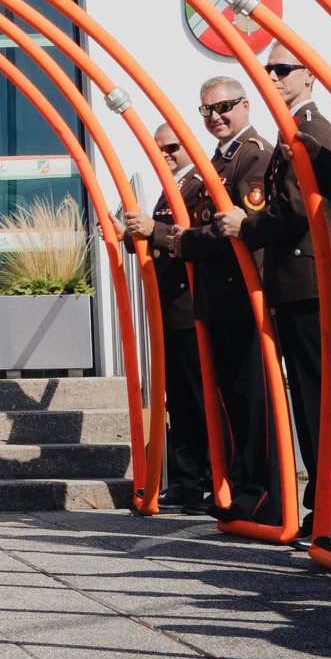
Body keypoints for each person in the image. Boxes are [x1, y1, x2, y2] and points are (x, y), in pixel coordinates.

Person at [239, 49, 331, 535]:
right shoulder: (293, 128)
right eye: (268, 70)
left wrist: (245, 225)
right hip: (296, 283)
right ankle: (327, 505)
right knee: (311, 403)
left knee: (327, 399)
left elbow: (300, 209)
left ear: (310, 75)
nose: (272, 76)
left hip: (314, 280)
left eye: (282, 69)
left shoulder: (313, 127)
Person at [182, 74, 281, 528]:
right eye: (207, 110)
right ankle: (245, 491)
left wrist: (173, 237)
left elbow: (233, 229)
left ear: (245, 106)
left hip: (244, 297)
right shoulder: (219, 159)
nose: (216, 116)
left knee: (254, 401)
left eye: (224, 106)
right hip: (218, 299)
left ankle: (264, 497)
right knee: (234, 403)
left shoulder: (253, 153)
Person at [117, 132, 214, 512]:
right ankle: (187, 482)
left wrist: (151, 231)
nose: (165, 154)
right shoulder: (171, 187)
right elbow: (159, 238)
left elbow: (192, 236)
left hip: (191, 308)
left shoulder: (201, 184)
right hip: (170, 311)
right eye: (158, 148)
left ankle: (205, 478)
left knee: (199, 399)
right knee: (182, 402)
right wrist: (132, 235)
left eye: (172, 147)